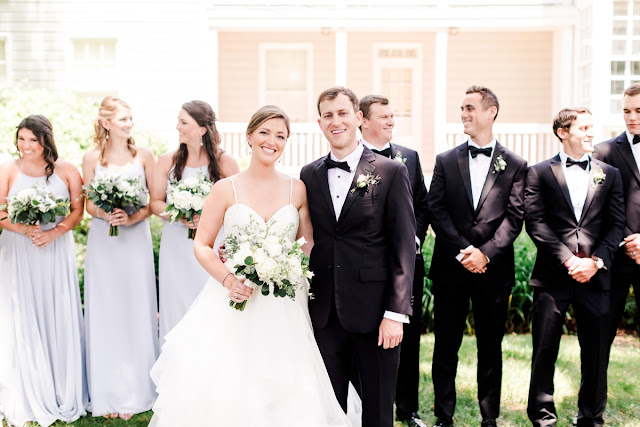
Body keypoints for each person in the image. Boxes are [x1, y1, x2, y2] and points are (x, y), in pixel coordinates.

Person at [148, 105, 351, 426]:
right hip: (235, 298)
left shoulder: (296, 188)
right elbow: (202, 245)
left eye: (281, 136)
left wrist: (291, 267)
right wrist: (229, 280)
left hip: (285, 300)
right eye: (265, 133)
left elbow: (308, 242)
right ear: (249, 137)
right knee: (233, 377)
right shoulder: (225, 188)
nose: (272, 141)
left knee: (287, 376)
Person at [300, 87, 416, 427]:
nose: (336, 121)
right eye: (328, 115)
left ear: (358, 118)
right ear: (319, 122)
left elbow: (403, 246)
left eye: (343, 113)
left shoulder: (391, 171)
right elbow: (307, 237)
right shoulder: (310, 174)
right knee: (331, 408)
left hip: (377, 312)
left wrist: (396, 313)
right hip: (324, 313)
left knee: (378, 409)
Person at [427, 86, 527, 427]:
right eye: (462, 108)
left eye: (470, 108)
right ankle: (444, 416)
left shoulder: (515, 164)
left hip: (494, 272)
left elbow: (515, 218)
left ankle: (489, 418)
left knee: (490, 348)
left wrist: (485, 254)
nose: (464, 114)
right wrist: (462, 251)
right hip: (450, 270)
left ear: (491, 111)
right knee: (445, 347)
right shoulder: (445, 160)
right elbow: (436, 209)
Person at [525, 107, 625, 427]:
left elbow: (616, 225)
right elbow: (536, 223)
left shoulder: (610, 174)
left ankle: (591, 417)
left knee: (595, 354)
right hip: (553, 276)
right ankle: (543, 417)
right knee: (544, 350)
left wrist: (595, 262)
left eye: (591, 127)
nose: (591, 133)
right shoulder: (539, 172)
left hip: (595, 276)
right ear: (562, 132)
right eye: (583, 127)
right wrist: (569, 259)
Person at [0, 115, 87, 426]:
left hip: (54, 249)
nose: (26, 146)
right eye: (22, 139)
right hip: (19, 250)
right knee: (20, 312)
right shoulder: (9, 169)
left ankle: (60, 386)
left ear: (46, 141)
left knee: (54, 309)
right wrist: (24, 230)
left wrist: (54, 232)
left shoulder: (67, 170)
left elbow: (78, 211)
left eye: (33, 140)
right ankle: (24, 387)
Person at [82, 96, 158, 420]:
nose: (129, 124)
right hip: (104, 242)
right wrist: (104, 213)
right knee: (106, 309)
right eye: (123, 119)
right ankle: (107, 393)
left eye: (130, 118)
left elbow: (154, 201)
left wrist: (132, 217)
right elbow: (87, 204)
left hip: (134, 240)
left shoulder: (144, 156)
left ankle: (135, 391)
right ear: (106, 123)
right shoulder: (90, 158)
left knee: (134, 307)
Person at [356, 94, 429, 427]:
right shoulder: (350, 159)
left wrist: (411, 239)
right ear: (363, 120)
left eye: (392, 116)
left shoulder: (410, 158)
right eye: (383, 116)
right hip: (365, 265)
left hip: (406, 262)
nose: (390, 122)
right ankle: (361, 404)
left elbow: (424, 207)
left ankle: (408, 409)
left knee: (407, 338)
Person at [150, 100, 239, 345]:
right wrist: (177, 214)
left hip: (213, 244)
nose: (177, 126)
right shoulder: (166, 160)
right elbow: (155, 202)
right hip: (176, 245)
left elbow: (239, 206)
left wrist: (210, 218)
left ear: (201, 129)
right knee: (177, 301)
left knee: (211, 302)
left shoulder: (224, 162)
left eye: (183, 122)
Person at [593, 83, 640, 342]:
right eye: (626, 111)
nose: (632, 117)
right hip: (615, 256)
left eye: (639, 110)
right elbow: (598, 206)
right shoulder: (603, 152)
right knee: (601, 335)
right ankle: (595, 385)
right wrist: (628, 240)